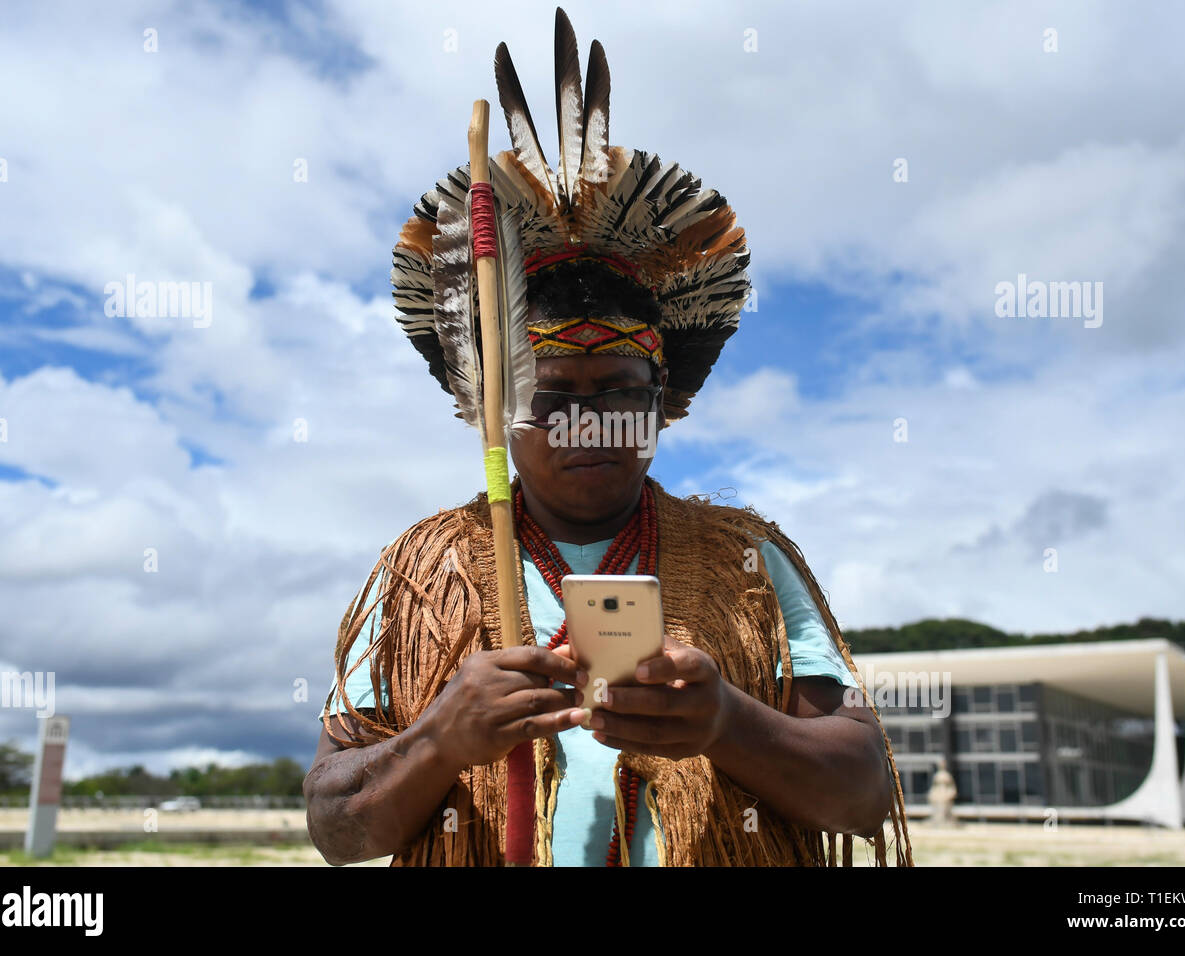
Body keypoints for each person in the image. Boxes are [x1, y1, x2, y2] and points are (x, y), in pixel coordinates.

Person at [303, 8, 912, 867]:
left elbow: (861, 796)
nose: (584, 422)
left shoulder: (751, 560)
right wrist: (441, 736)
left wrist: (728, 723)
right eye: (551, 397)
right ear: (495, 412)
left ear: (662, 400)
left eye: (617, 392)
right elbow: (335, 828)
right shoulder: (419, 572)